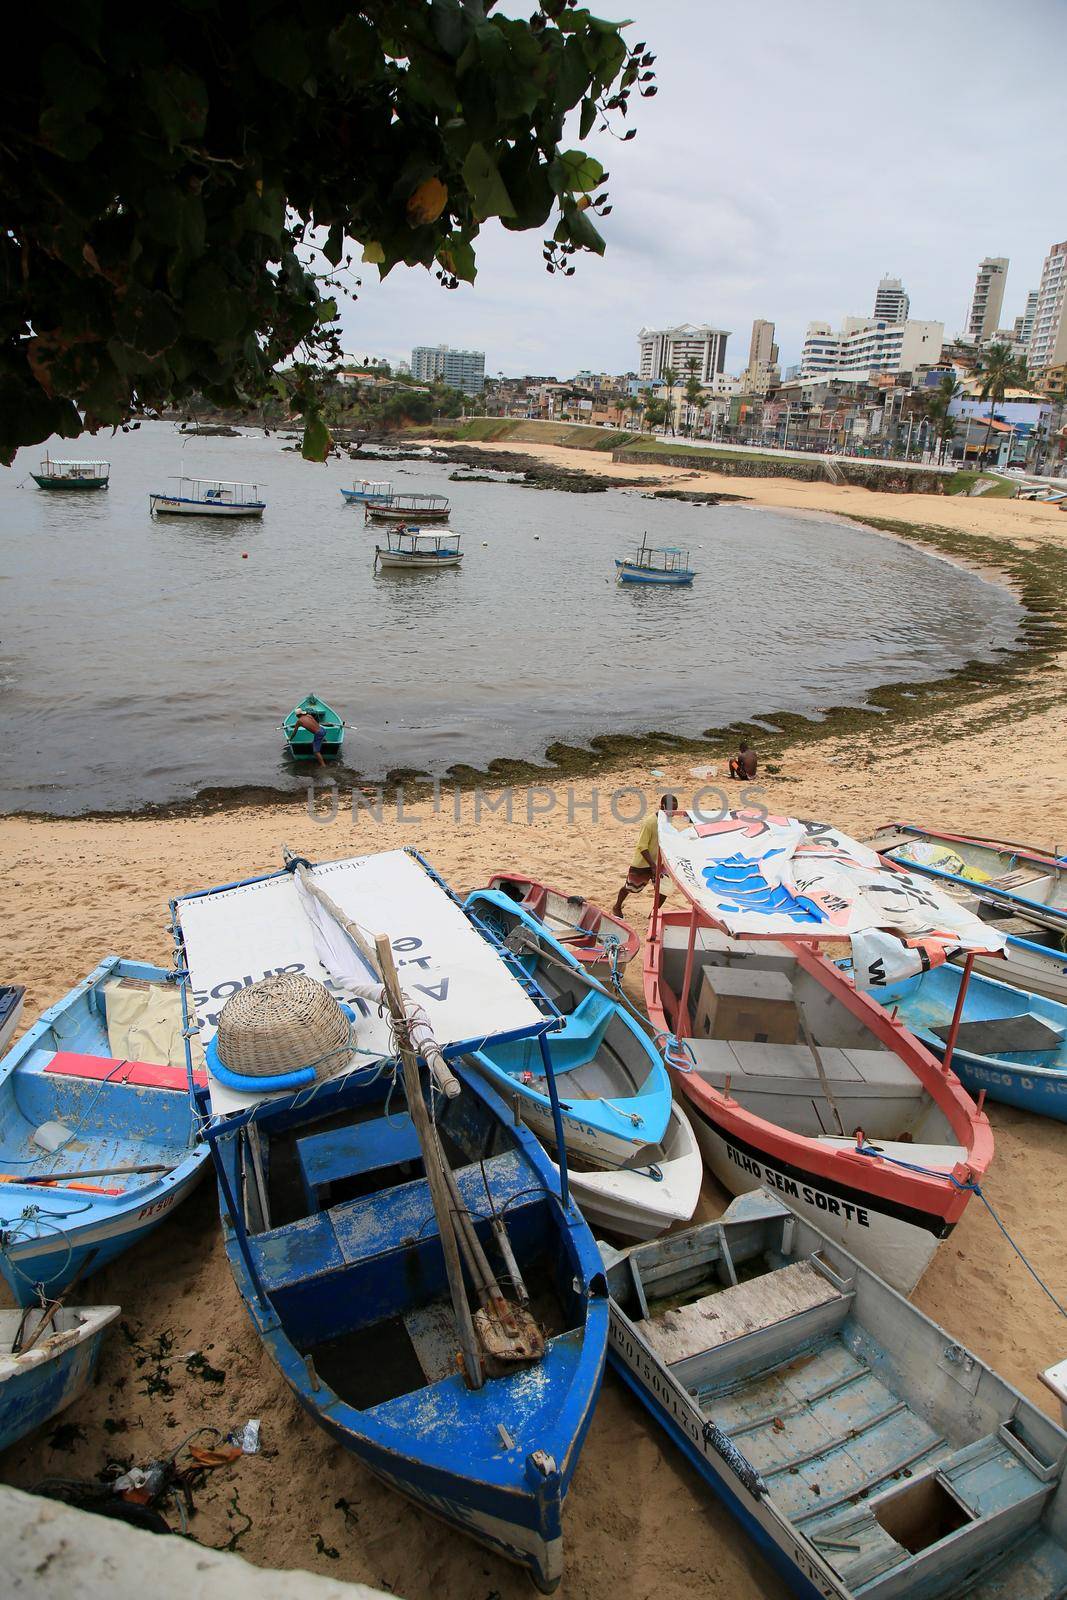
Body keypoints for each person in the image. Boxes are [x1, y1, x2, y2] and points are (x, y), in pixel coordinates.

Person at [613, 794, 678, 917]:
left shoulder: (667, 822)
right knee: (631, 887)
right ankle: (617, 906)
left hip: (660, 862)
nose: (673, 813)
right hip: (643, 862)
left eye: (675, 810)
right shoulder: (650, 823)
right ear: (662, 806)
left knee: (664, 890)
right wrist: (652, 866)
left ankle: (653, 914)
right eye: (671, 809)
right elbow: (642, 846)